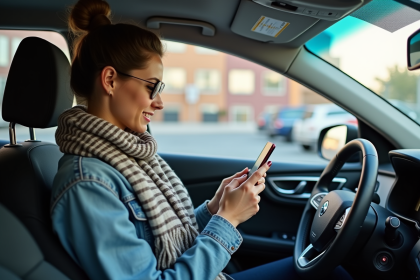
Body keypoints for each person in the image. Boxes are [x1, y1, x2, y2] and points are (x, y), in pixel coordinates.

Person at [50, 0, 353, 279]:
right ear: (110, 80)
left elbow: (162, 237)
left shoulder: (126, 154)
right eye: (152, 87)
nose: (159, 102)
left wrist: (215, 208)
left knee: (330, 270)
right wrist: (229, 219)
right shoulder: (87, 184)